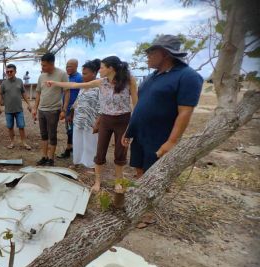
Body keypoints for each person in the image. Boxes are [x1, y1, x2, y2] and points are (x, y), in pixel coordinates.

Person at [47, 56, 138, 192]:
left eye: (101, 67)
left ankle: (118, 182)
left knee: (120, 153)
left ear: (110, 68)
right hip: (106, 120)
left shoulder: (129, 80)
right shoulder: (101, 82)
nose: (99, 70)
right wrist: (55, 83)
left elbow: (136, 105)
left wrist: (131, 127)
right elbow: (76, 85)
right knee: (100, 151)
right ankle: (97, 182)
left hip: (123, 120)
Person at [123, 35, 203, 176]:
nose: (147, 56)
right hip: (140, 136)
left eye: (151, 53)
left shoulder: (188, 76)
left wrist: (172, 141)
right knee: (139, 170)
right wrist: (130, 131)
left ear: (165, 54)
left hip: (159, 139)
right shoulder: (151, 77)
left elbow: (185, 112)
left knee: (153, 175)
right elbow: (141, 106)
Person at [33, 52, 69, 166]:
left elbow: (66, 92)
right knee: (43, 135)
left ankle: (51, 158)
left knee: (52, 135)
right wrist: (35, 108)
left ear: (52, 63)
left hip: (54, 110)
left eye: (44, 65)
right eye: (42, 65)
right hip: (41, 110)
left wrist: (64, 110)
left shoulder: (62, 74)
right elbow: (38, 92)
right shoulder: (41, 76)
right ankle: (44, 156)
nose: (42, 67)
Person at [70, 59, 101, 168]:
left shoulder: (99, 87)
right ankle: (77, 161)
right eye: (82, 73)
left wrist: (98, 121)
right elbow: (77, 102)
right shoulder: (83, 86)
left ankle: (91, 164)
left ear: (94, 73)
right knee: (78, 142)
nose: (82, 76)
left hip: (91, 121)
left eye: (85, 73)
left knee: (90, 143)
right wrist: (72, 115)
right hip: (79, 120)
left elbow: (101, 106)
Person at [0, 64, 32, 150]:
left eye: (11, 71)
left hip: (18, 109)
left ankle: (24, 142)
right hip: (8, 110)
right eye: (7, 72)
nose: (9, 73)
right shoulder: (4, 83)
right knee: (10, 127)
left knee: (21, 126)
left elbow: (23, 93)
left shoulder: (19, 81)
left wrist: (29, 103)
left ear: (15, 71)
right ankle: (12, 142)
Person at [57, 59, 83, 159]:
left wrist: (73, 110)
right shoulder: (66, 78)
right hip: (66, 109)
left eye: (70, 66)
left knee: (74, 130)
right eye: (67, 66)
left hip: (76, 110)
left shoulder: (80, 78)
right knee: (69, 130)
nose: (68, 68)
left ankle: (71, 150)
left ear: (76, 66)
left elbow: (81, 95)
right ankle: (71, 148)